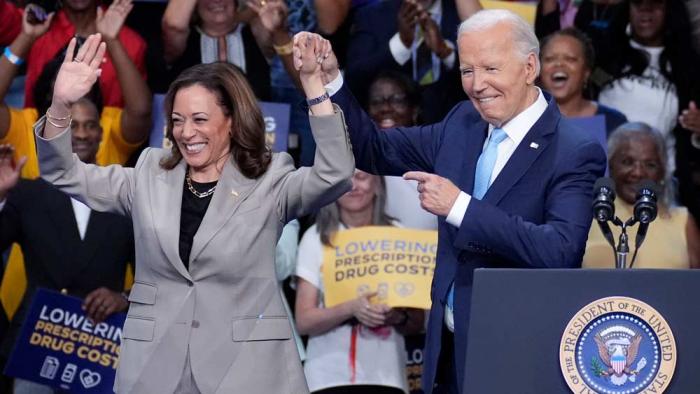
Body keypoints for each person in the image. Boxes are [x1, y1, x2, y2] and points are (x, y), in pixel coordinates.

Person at [295, 8, 607, 393]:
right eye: (467, 71)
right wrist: (332, 81)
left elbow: (560, 251)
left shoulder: (573, 150)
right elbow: (373, 149)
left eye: (490, 69)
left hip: (521, 354)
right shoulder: (463, 122)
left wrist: (460, 207)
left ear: (529, 67)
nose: (477, 85)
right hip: (448, 355)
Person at [34, 33, 354, 393]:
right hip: (155, 370)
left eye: (200, 119)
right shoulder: (150, 173)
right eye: (178, 120)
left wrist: (314, 86)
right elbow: (63, 173)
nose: (186, 133)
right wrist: (60, 104)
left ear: (232, 120)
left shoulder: (271, 179)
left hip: (246, 370)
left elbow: (335, 175)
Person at [0, 134, 135, 394]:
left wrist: (123, 298)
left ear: (100, 138)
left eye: (90, 126)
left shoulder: (124, 198)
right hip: (36, 343)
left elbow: (152, 275)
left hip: (98, 347)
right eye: (73, 127)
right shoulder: (27, 193)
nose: (83, 133)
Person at [295, 169, 424, 394]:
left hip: (387, 376)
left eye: (362, 177)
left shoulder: (399, 235)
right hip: (326, 377)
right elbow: (304, 321)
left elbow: (417, 323)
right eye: (346, 180)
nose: (354, 186)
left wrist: (395, 315)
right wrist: (351, 308)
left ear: (378, 184)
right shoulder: (315, 238)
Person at [582, 122, 700, 268]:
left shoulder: (682, 220)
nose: (637, 173)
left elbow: (695, 286)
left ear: (662, 171)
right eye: (627, 162)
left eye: (650, 164)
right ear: (611, 165)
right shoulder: (586, 217)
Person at [0, 0, 146, 108]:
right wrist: (26, 37)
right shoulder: (34, 26)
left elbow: (140, 113)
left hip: (106, 141)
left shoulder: (131, 43)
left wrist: (112, 41)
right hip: (38, 138)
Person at [366, 71, 437, 230]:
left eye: (396, 100)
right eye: (376, 102)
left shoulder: (435, 158)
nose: (385, 108)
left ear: (414, 110)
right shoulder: (359, 160)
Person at [539, 27, 627, 137]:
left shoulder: (613, 123)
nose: (559, 64)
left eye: (570, 59)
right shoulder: (521, 119)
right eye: (550, 59)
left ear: (586, 72)